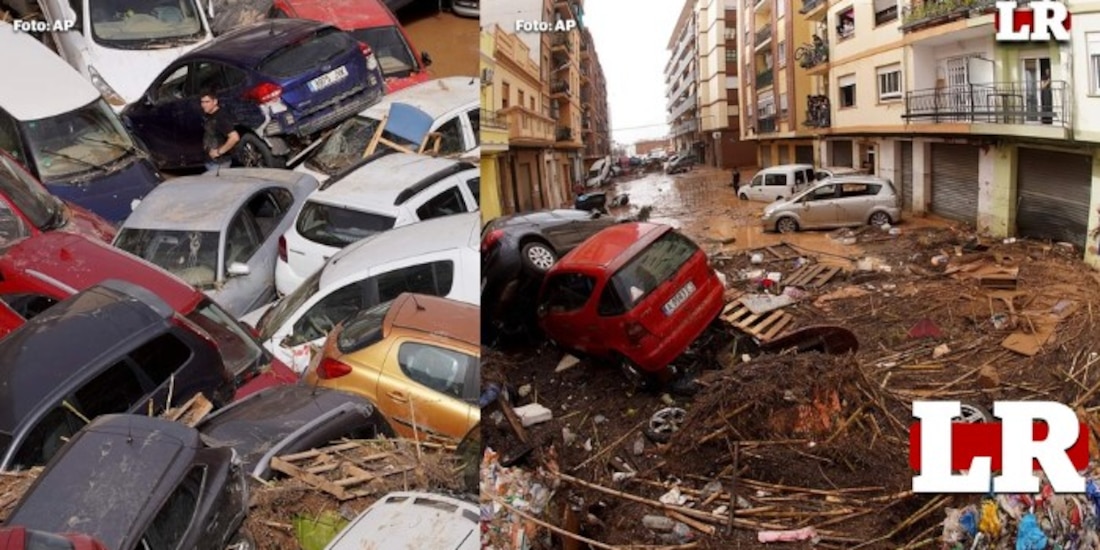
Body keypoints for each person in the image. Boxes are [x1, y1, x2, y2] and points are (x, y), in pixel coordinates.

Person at [200, 90, 240, 172]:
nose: (204, 105)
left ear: (215, 102)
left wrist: (219, 152)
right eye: (202, 102)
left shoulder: (221, 117)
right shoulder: (209, 116)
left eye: (207, 102)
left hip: (219, 164)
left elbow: (234, 137)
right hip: (211, 162)